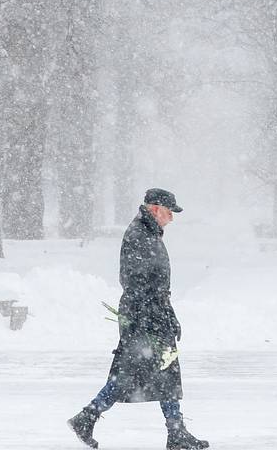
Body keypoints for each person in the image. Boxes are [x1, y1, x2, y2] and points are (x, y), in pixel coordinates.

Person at [67, 188, 209, 450]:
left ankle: (174, 431)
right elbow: (135, 280)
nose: (172, 218)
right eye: (169, 212)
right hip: (144, 316)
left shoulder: (149, 233)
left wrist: (168, 312)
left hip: (152, 313)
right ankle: (87, 417)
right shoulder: (139, 235)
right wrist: (150, 314)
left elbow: (154, 283)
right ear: (155, 209)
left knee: (163, 371)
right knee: (132, 374)